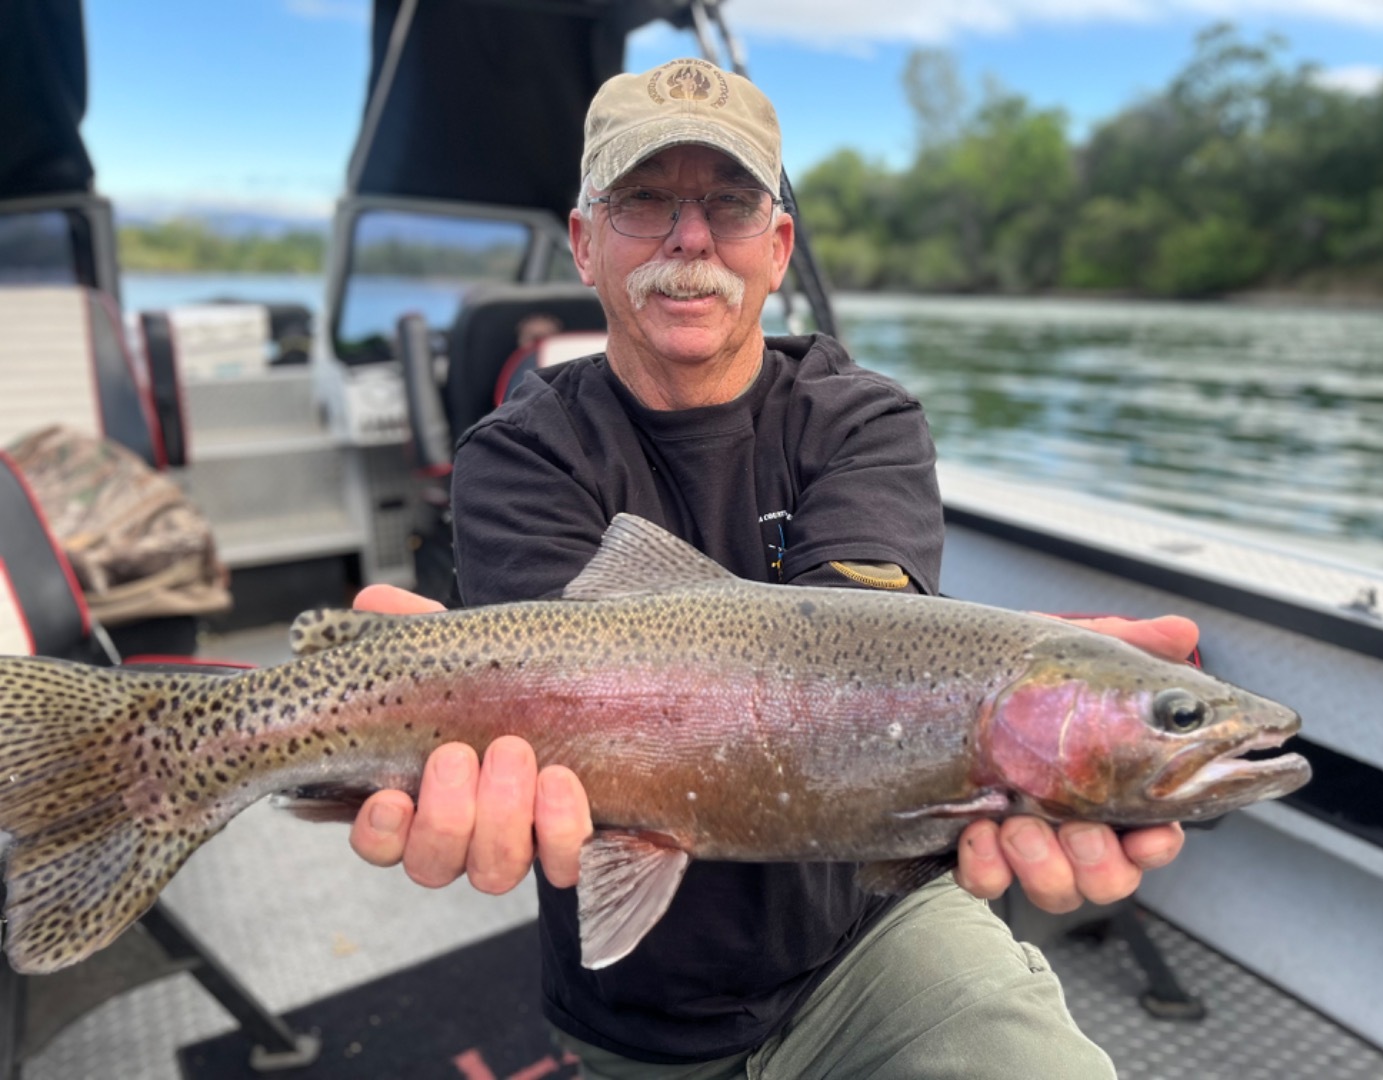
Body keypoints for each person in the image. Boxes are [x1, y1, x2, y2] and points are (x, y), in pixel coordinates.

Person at [350, 57, 1192, 1078]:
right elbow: (555, 726)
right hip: (636, 1000)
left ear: (778, 246)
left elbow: (852, 645)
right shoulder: (519, 452)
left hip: (873, 928)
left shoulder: (863, 417)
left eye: (730, 206)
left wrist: (1019, 698)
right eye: (644, 203)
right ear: (583, 243)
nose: (690, 237)